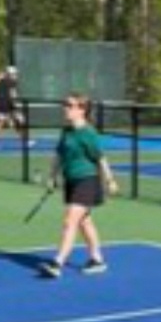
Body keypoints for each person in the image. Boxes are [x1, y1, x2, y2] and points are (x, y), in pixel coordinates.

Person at [40, 95, 119, 280]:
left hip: (87, 180)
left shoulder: (88, 133)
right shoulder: (66, 131)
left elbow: (100, 158)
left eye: (69, 105)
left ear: (82, 109)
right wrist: (52, 177)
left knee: (70, 220)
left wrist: (110, 180)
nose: (65, 108)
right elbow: (58, 155)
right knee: (84, 222)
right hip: (71, 180)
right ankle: (97, 259)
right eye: (65, 105)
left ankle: (57, 263)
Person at [0, 67, 30, 148]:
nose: (16, 75)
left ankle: (23, 140)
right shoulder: (12, 82)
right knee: (20, 119)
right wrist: (16, 104)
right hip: (7, 104)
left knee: (7, 122)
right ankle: (24, 140)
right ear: (10, 74)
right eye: (14, 74)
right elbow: (13, 94)